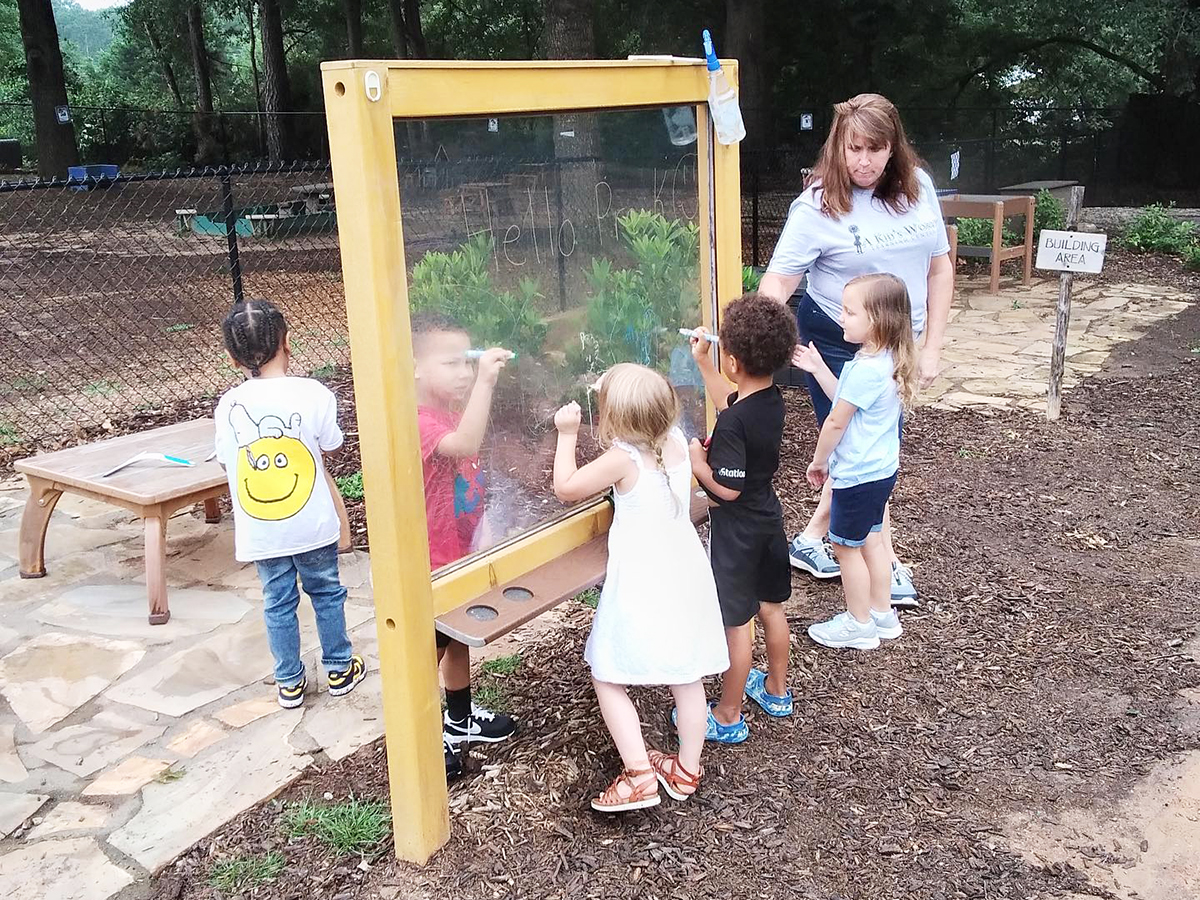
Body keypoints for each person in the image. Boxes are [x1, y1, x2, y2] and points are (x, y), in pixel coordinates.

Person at [758, 93, 954, 607]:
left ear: (894, 149)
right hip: (839, 340)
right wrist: (755, 337)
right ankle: (884, 569)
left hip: (898, 343)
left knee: (865, 451)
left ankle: (808, 540)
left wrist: (931, 347)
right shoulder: (817, 207)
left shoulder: (920, 190)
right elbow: (778, 283)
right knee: (865, 451)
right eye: (854, 148)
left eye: (876, 149)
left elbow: (939, 268)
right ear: (838, 147)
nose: (863, 161)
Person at [552, 364, 728, 812]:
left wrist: (567, 432)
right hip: (685, 575)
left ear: (614, 418)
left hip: (643, 581)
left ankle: (638, 775)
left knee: (606, 672)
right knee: (687, 675)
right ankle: (686, 770)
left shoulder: (624, 458)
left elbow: (566, 488)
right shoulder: (675, 443)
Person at [214, 299, 366, 709]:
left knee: (277, 602)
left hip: (262, 530)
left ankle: (289, 681)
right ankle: (339, 667)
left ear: (232, 357)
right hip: (312, 524)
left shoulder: (228, 406)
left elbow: (229, 459)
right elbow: (333, 445)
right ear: (288, 341)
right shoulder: (313, 393)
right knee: (326, 592)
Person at [411, 312, 518, 779]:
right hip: (430, 562)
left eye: (468, 362)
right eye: (451, 363)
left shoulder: (449, 410)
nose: (464, 373)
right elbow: (465, 442)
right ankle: (420, 736)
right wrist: (487, 383)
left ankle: (459, 720)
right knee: (425, 652)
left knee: (457, 639)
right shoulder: (419, 420)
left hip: (460, 550)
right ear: (414, 366)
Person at [687, 294, 797, 744]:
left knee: (738, 624)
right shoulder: (770, 399)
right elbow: (730, 402)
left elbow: (726, 488)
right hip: (769, 521)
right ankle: (775, 690)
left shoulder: (732, 425)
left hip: (738, 532)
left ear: (733, 360)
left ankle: (728, 714)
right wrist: (703, 363)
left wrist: (698, 464)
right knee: (772, 607)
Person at [794, 273, 916, 649]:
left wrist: (819, 461)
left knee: (846, 548)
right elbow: (848, 401)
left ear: (876, 321)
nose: (841, 317)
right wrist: (818, 369)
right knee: (872, 541)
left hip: (857, 477)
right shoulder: (884, 360)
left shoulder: (865, 369)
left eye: (849, 312)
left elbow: (836, 420)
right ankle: (882, 614)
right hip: (880, 474)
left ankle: (858, 623)